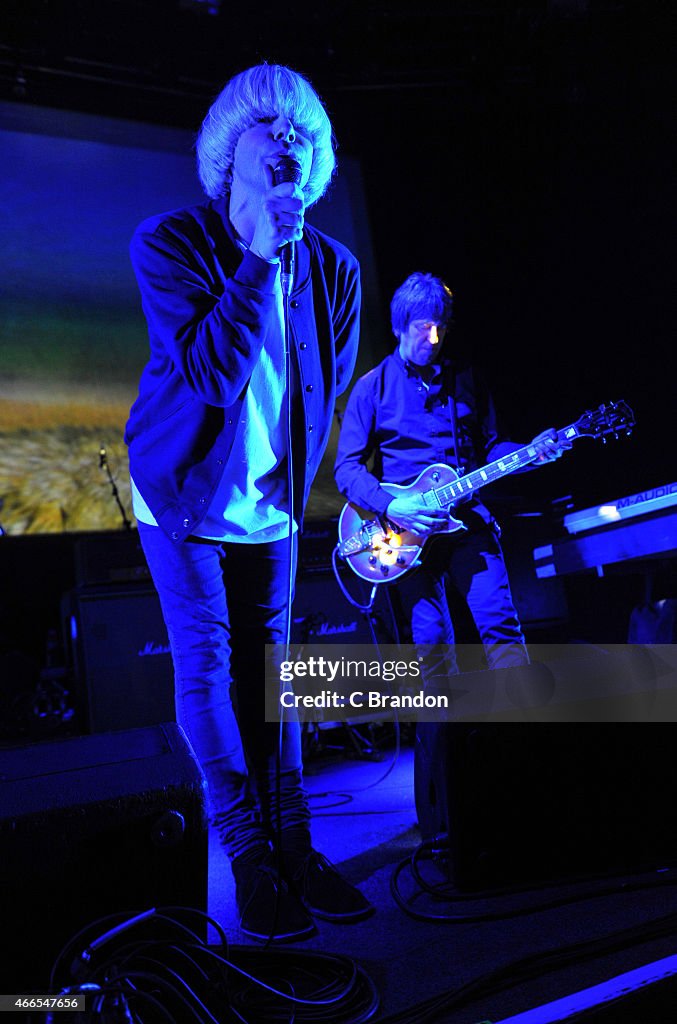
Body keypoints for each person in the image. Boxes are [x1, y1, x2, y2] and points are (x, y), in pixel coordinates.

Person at [125, 63, 372, 942]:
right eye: (275, 128)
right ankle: (247, 852)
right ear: (230, 151)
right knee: (208, 670)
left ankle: (296, 844)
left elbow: (326, 387)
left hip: (266, 505)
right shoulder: (169, 243)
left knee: (277, 675)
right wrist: (259, 253)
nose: (294, 143)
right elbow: (211, 375)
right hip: (181, 492)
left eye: (307, 134)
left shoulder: (335, 268)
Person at [334, 271, 569, 682]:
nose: (435, 339)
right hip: (407, 535)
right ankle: (448, 746)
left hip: (467, 524)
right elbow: (346, 468)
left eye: (441, 327)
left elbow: (492, 448)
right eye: (424, 328)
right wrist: (393, 505)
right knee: (434, 653)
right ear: (399, 325)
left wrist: (531, 455)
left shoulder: (466, 379)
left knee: (503, 633)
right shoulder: (371, 389)